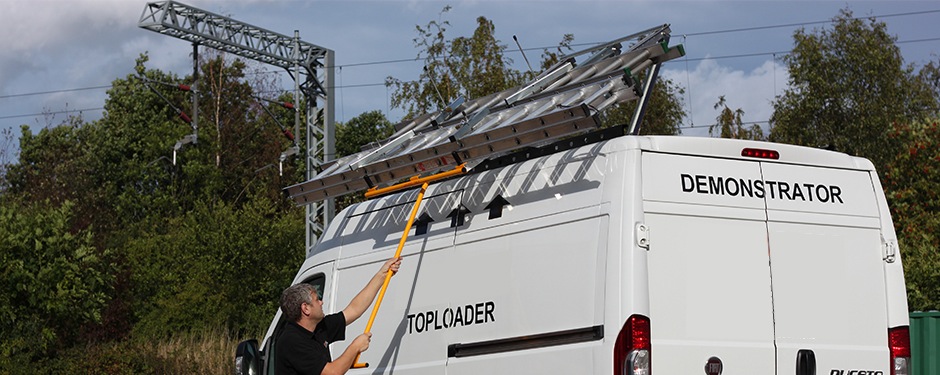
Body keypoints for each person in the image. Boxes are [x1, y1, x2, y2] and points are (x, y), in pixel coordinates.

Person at [275, 257, 402, 375]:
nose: (321, 302)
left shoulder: (318, 326)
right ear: (306, 308)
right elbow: (332, 372)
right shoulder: (291, 341)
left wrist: (382, 275)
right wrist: (355, 346)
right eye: (317, 300)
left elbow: (354, 309)